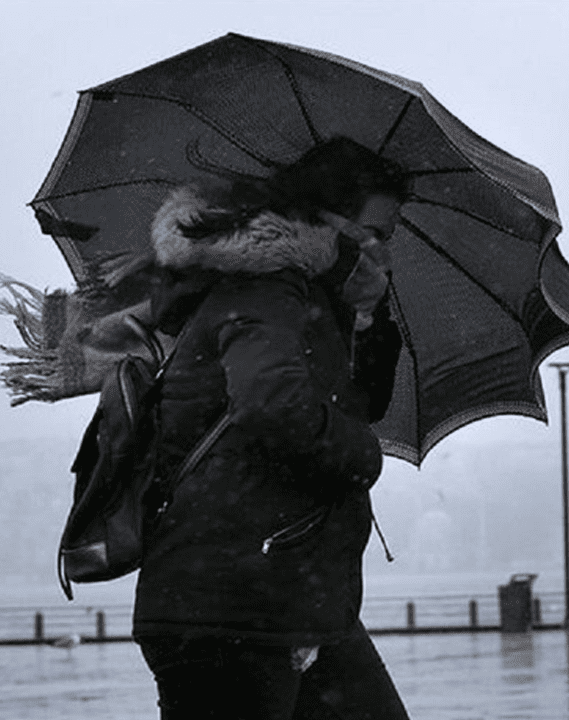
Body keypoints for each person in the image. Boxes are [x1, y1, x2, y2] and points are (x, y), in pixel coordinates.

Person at [129, 138, 409, 719]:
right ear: (326, 222)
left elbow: (359, 402)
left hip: (291, 599)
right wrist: (365, 457)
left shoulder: (307, 298)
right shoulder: (264, 289)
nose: (383, 249)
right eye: (374, 232)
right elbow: (272, 405)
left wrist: (369, 314)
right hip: (233, 606)